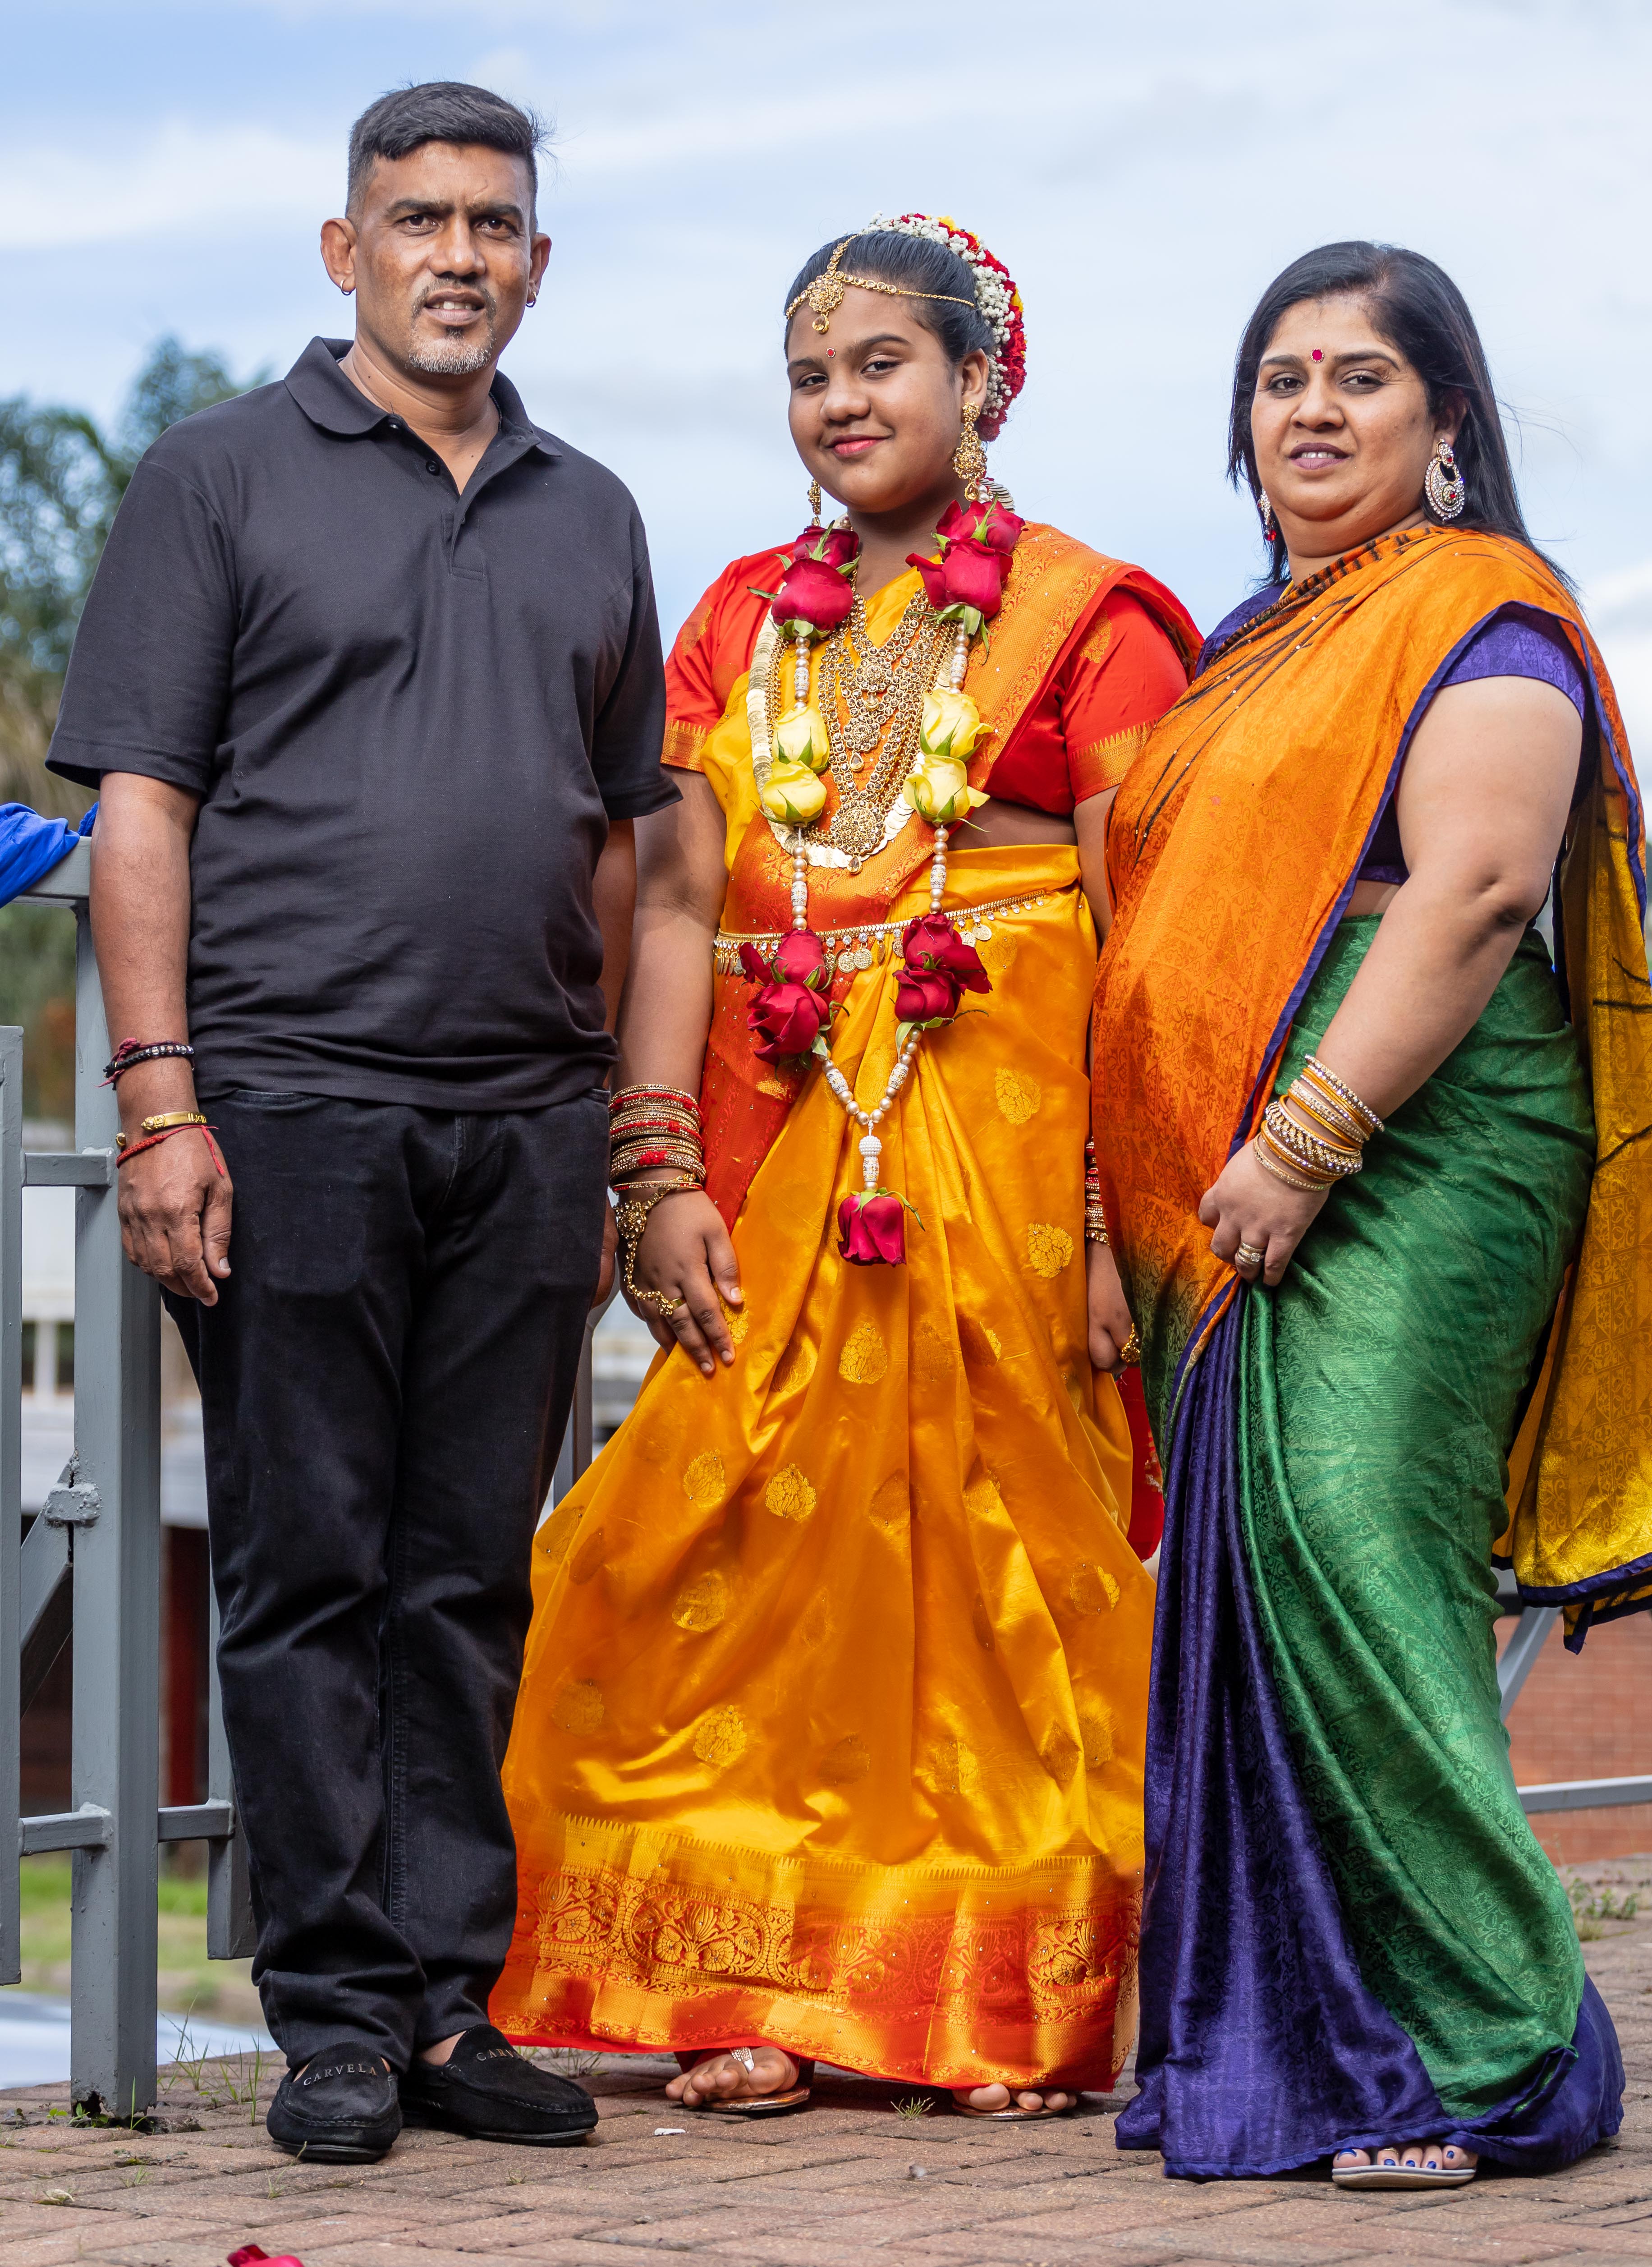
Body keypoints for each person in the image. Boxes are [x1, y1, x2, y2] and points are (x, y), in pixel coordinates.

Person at [494, 214, 1200, 2116]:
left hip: (1014, 1168)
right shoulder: (735, 617)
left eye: (880, 363)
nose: (838, 402)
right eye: (809, 374)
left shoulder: (1092, 617)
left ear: (980, 379)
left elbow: (1150, 941)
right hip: (781, 1139)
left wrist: (1118, 1225)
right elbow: (674, 900)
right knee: (707, 1542)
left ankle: (999, 1999)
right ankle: (740, 1977)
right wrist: (655, 1168)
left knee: (1000, 1570)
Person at [46, 82, 677, 2164]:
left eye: (493, 223)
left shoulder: (593, 511)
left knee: (468, 1572)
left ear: (538, 263)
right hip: (290, 1099)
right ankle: (330, 2013)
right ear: (346, 250)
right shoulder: (218, 474)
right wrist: (160, 1101)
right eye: (418, 219)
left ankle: (445, 2007)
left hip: (525, 1120)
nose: (456, 255)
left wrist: (611, 1118)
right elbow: (144, 805)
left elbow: (625, 839)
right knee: (308, 1564)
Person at [1091, 241, 1652, 2185]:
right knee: (1263, 1578)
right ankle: (1316, 2044)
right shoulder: (1247, 644)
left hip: (1422, 1133)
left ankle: (1503, 2049)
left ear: (1446, 417)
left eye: (1360, 375)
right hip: (1238, 1155)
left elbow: (1474, 889)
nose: (1312, 407)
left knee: (1360, 1544)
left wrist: (1306, 1138)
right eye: (1280, 376)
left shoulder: (1482, 614)